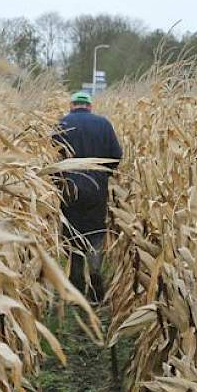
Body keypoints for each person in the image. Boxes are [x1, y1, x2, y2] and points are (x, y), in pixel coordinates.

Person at [53, 91, 123, 300]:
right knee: (95, 234)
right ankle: (94, 280)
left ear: (72, 105)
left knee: (73, 234)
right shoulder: (103, 124)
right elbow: (116, 155)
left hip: (69, 189)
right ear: (89, 106)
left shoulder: (62, 124)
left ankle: (76, 284)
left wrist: (59, 179)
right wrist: (103, 175)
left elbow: (51, 156)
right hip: (96, 189)